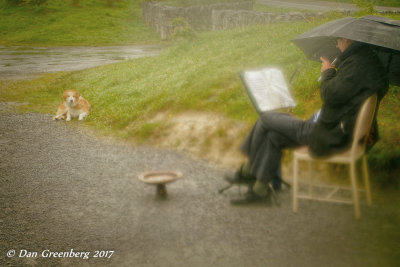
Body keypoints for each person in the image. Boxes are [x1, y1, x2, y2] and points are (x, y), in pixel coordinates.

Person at [225, 38, 389, 205]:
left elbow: (330, 95)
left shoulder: (356, 66)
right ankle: (260, 191)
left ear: (347, 40)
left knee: (266, 118)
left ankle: (246, 172)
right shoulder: (368, 63)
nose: (337, 45)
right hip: (342, 131)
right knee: (273, 135)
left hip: (329, 135)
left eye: (338, 41)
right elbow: (346, 95)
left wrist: (327, 72)